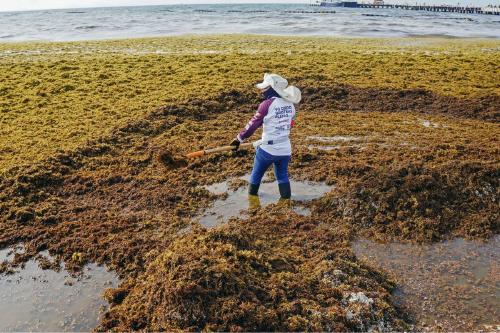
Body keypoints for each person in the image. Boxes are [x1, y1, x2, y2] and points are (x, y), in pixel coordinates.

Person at [230, 73, 301, 200]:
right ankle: (286, 203)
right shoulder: (291, 105)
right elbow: (290, 124)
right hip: (285, 149)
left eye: (264, 88)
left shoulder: (266, 104)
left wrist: (238, 139)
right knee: (282, 176)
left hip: (267, 150)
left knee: (256, 175)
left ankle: (252, 200)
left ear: (272, 88)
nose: (262, 90)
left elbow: (252, 125)